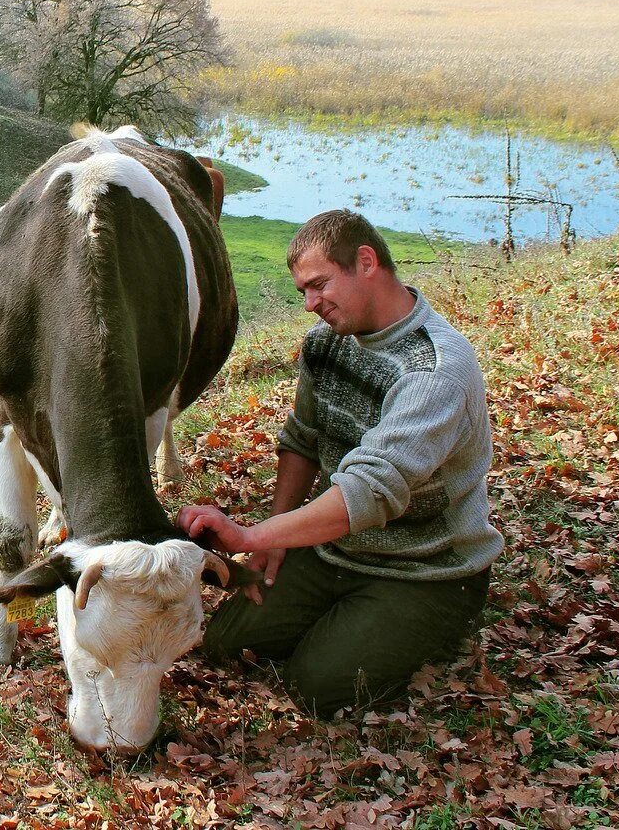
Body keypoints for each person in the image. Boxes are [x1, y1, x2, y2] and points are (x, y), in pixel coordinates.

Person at [177, 209, 504, 718]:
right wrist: (275, 540)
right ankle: (349, 622)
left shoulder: (436, 371)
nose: (310, 304)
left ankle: (428, 626)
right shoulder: (327, 343)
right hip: (337, 547)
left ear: (366, 262)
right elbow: (303, 439)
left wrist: (249, 538)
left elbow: (371, 490)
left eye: (319, 285)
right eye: (303, 292)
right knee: (227, 642)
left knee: (316, 686)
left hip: (427, 568)